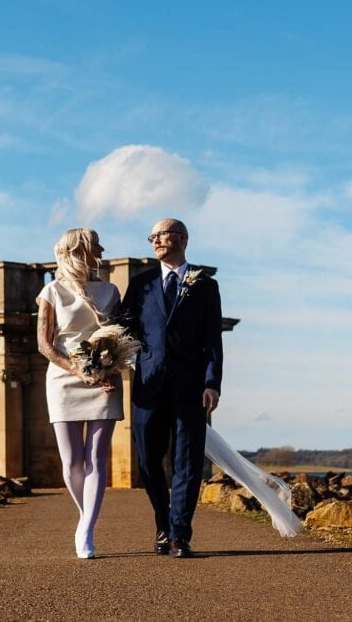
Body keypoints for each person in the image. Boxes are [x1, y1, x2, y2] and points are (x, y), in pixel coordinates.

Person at [121, 218, 223, 558]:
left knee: (187, 464)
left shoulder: (205, 286)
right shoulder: (140, 284)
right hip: (148, 388)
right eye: (152, 236)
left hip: (191, 388)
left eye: (162, 234)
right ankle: (162, 523)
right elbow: (122, 330)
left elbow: (212, 340)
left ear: (181, 238)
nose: (156, 240)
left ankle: (179, 534)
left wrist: (212, 383)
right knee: (148, 462)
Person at [36, 228, 123, 559]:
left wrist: (108, 370)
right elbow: (44, 344)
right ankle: (85, 517)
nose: (102, 248)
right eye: (95, 244)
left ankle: (86, 530)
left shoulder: (111, 290)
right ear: (80, 251)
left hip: (105, 379)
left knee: (97, 458)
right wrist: (76, 369)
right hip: (63, 377)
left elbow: (118, 334)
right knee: (71, 460)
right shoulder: (51, 291)